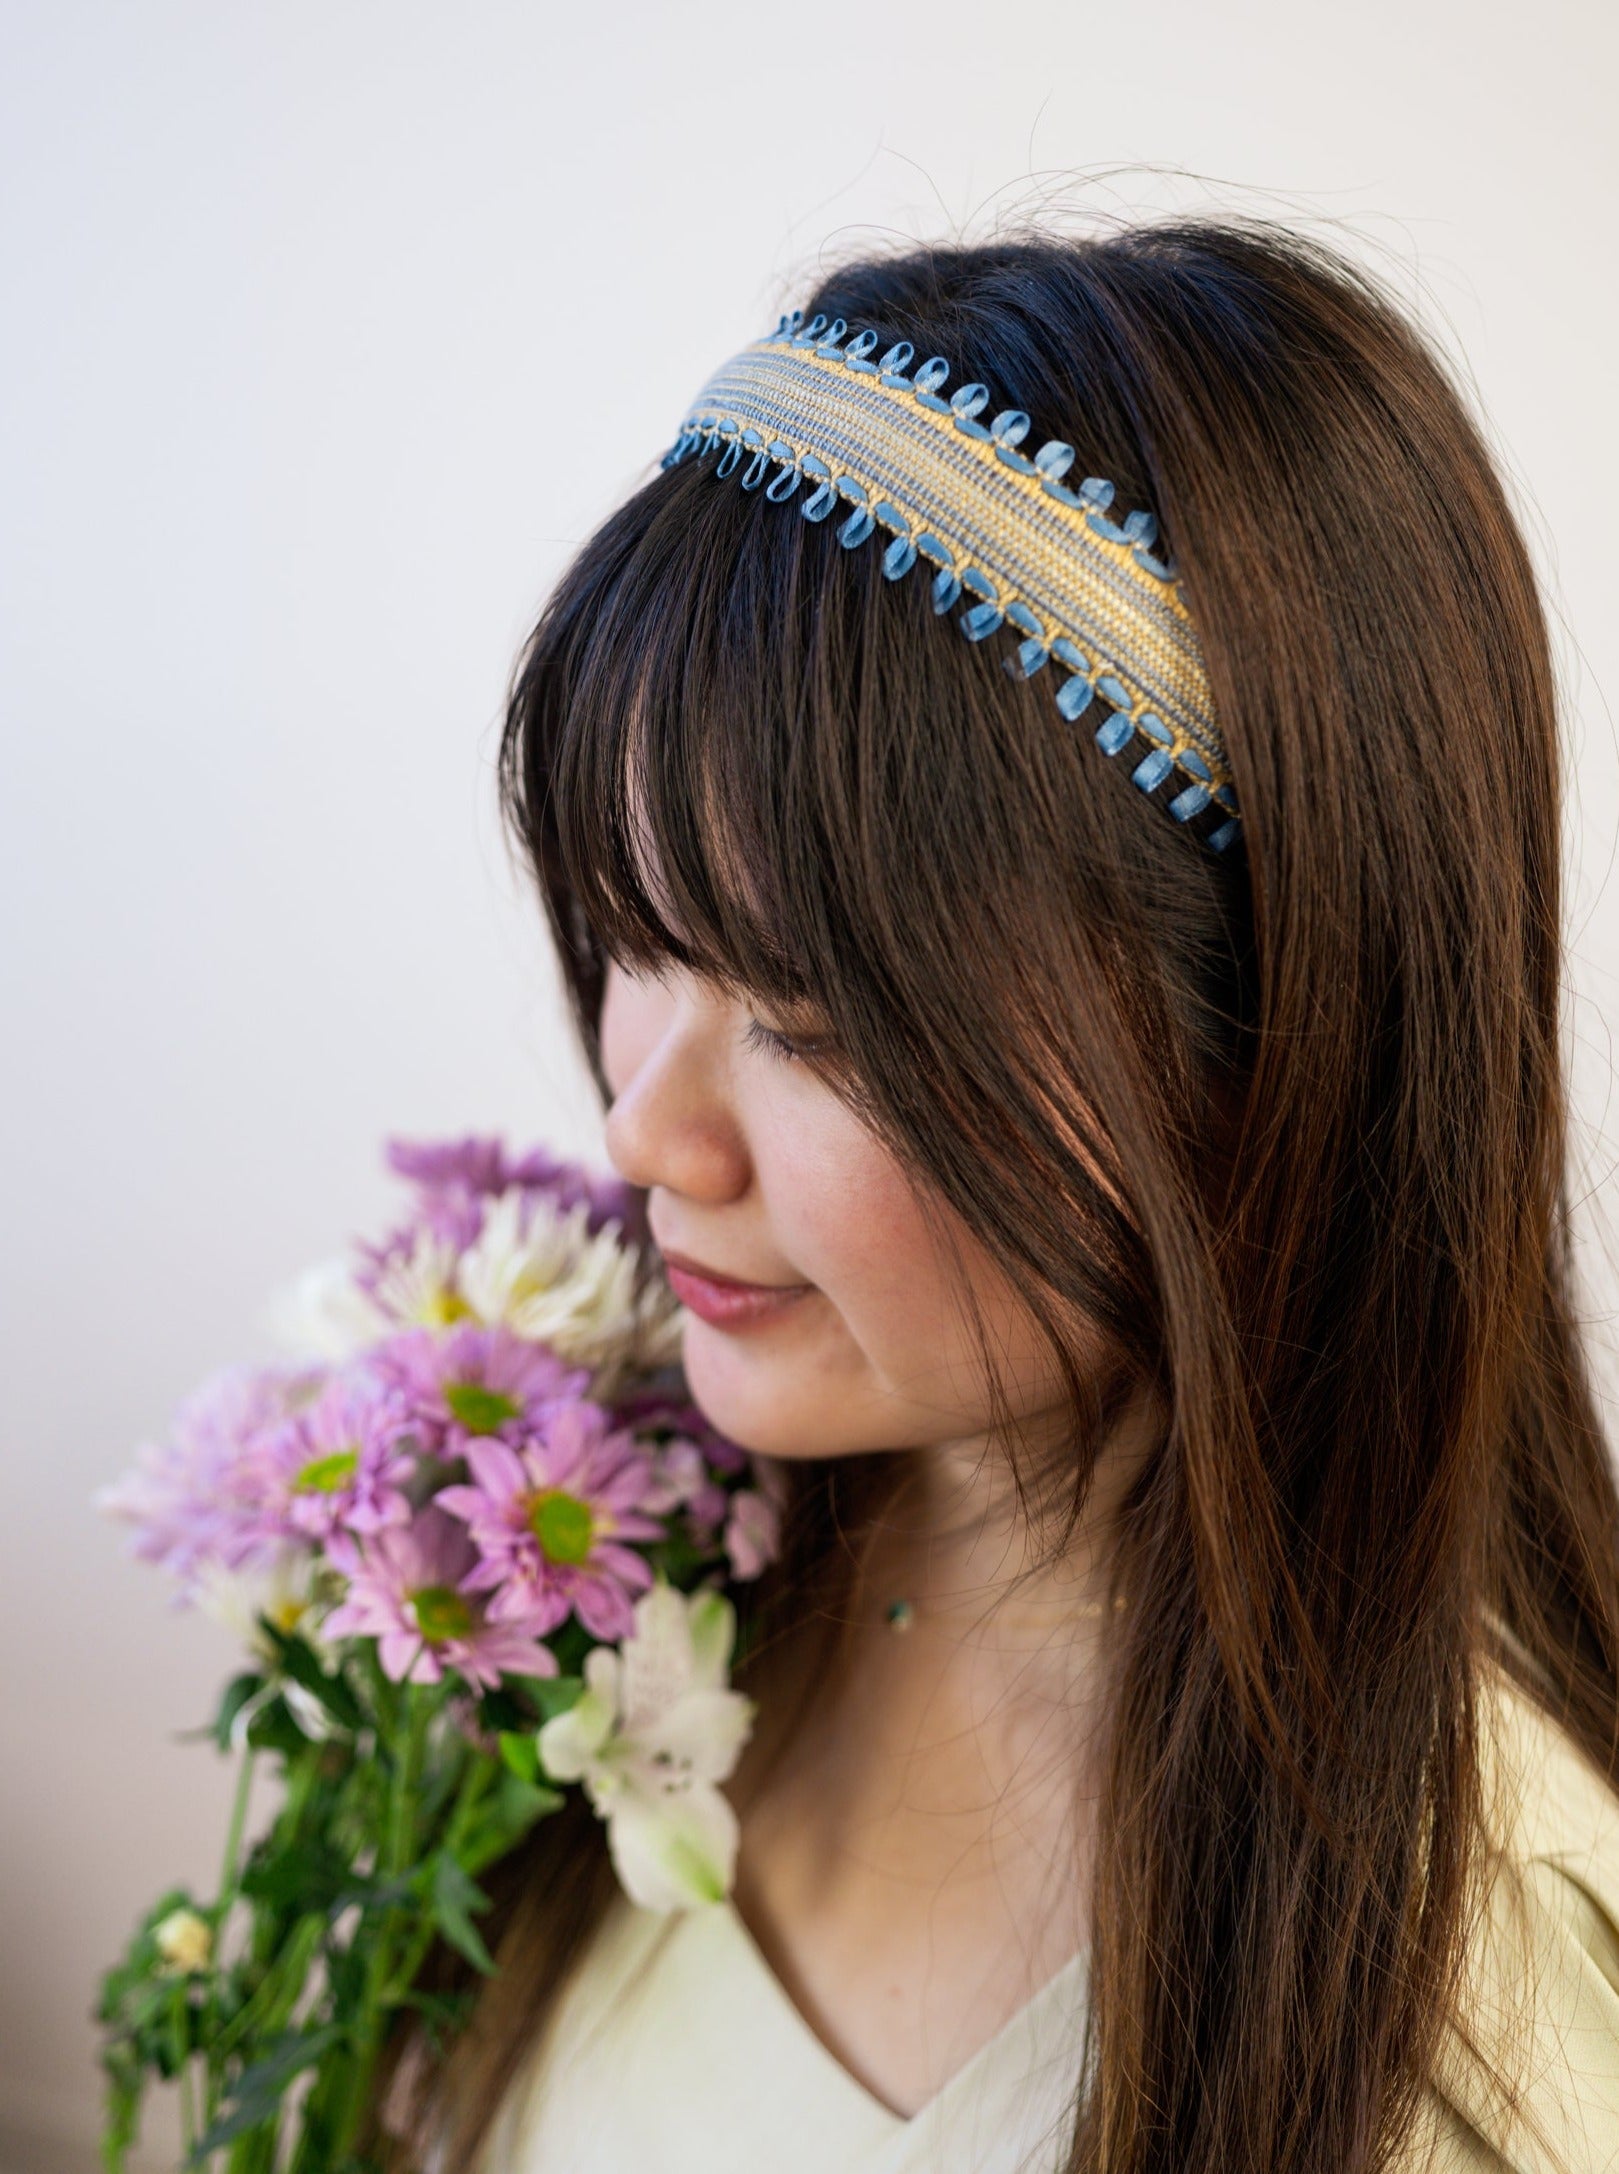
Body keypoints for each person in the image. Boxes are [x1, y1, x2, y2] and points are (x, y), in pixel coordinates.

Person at [380, 220, 1619, 2173]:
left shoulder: (1490, 2040)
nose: (642, 1136)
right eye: (632, 937)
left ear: (1267, 1053)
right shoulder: (597, 1542)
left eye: (811, 1023)